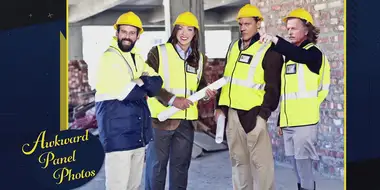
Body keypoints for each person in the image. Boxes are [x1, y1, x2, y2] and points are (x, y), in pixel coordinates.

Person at [214, 4, 284, 190]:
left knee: (262, 165)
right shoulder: (233, 47)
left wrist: (263, 115)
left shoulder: (269, 49)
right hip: (233, 114)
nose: (243, 28)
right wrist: (220, 106)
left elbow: (274, 87)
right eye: (241, 24)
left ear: (258, 24)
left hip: (254, 115)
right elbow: (226, 79)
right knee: (238, 163)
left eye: (247, 24)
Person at [144, 11, 217, 190]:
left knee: (180, 168)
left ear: (195, 33)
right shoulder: (158, 52)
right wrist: (172, 100)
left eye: (189, 29)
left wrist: (206, 94)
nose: (184, 33)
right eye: (180, 28)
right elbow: (147, 82)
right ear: (175, 30)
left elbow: (200, 85)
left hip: (186, 122)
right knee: (156, 167)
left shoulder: (199, 58)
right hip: (160, 119)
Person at [259, 8, 331, 190]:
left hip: (305, 122)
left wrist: (275, 39)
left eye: (294, 28)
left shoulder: (313, 54)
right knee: (294, 166)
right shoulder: (290, 58)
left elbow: (300, 55)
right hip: (290, 123)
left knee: (304, 167)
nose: (289, 32)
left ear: (306, 30)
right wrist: (282, 122)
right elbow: (288, 93)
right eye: (288, 29)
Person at [94, 11, 163, 190]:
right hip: (118, 134)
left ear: (138, 36)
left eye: (132, 33)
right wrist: (141, 83)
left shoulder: (136, 57)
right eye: (123, 32)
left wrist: (140, 82)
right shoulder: (109, 58)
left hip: (137, 132)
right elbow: (129, 93)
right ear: (116, 33)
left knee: (133, 186)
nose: (127, 36)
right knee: (118, 186)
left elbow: (156, 84)